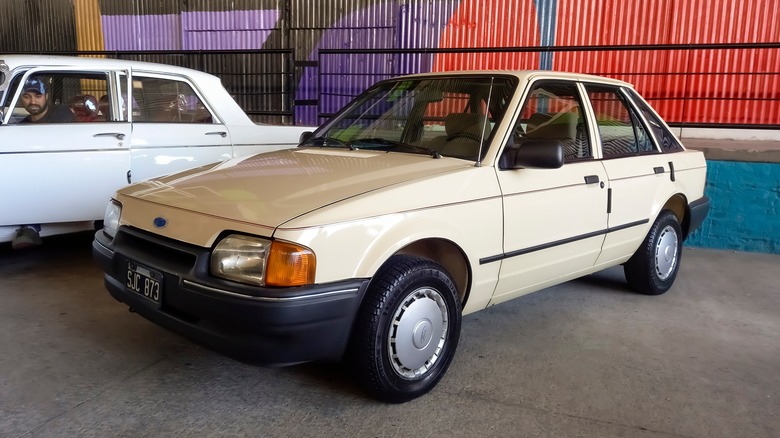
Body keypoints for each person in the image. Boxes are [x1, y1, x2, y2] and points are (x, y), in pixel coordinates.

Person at [12, 78, 75, 249]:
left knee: (32, 178)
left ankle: (30, 227)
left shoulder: (61, 114)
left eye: (37, 96)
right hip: (43, 173)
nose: (32, 101)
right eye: (26, 96)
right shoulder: (23, 125)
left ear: (46, 96)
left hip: (69, 171)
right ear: (20, 99)